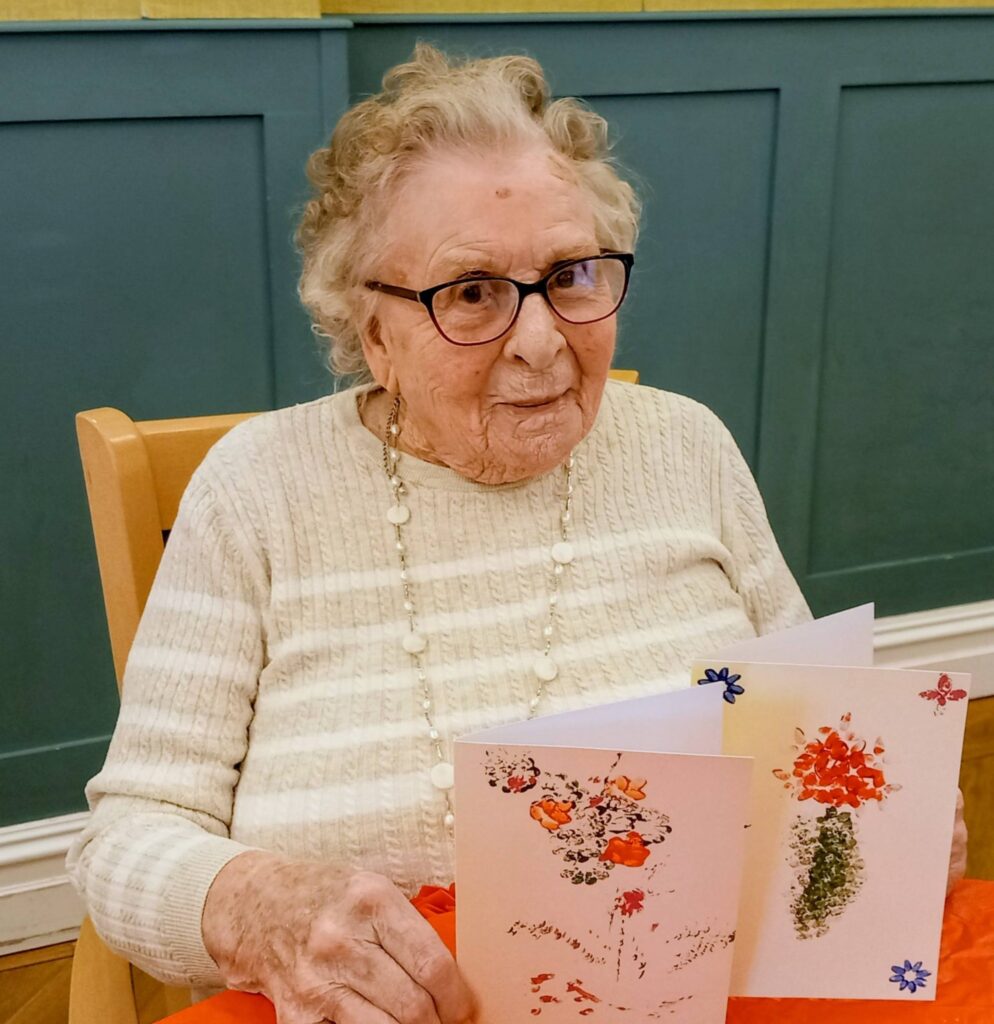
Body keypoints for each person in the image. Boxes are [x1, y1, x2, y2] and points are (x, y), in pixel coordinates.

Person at [67, 44, 966, 1024]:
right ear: (373, 331)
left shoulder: (688, 446)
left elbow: (810, 740)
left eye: (572, 275)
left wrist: (887, 824)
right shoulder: (257, 489)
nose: (541, 339)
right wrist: (253, 904)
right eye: (472, 292)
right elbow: (129, 838)